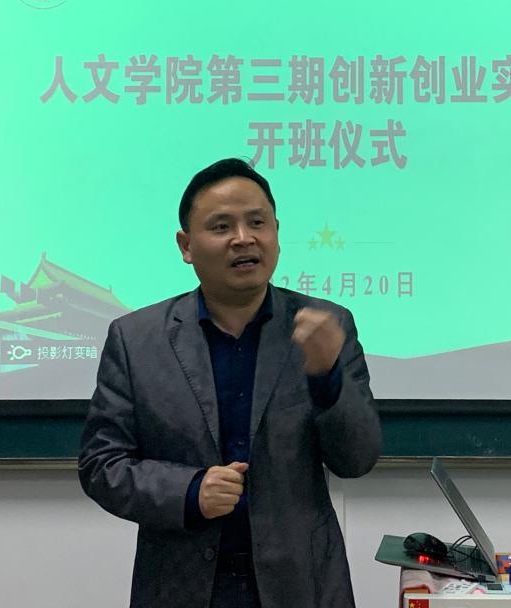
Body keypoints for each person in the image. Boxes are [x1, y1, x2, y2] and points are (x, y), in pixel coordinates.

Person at [79, 158, 381, 608]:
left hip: (301, 586)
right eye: (222, 227)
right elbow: (102, 466)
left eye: (257, 222)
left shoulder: (325, 326)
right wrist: (189, 491)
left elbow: (357, 460)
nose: (244, 238)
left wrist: (327, 378)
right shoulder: (136, 339)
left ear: (276, 232)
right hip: (181, 587)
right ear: (186, 246)